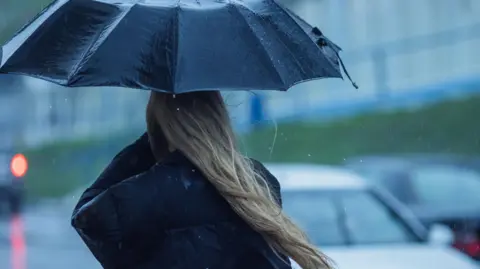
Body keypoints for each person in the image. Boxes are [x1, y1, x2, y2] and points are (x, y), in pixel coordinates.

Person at [71, 91, 332, 269]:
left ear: (161, 122)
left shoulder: (137, 198)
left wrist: (149, 141)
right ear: (220, 116)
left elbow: (87, 217)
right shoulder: (258, 181)